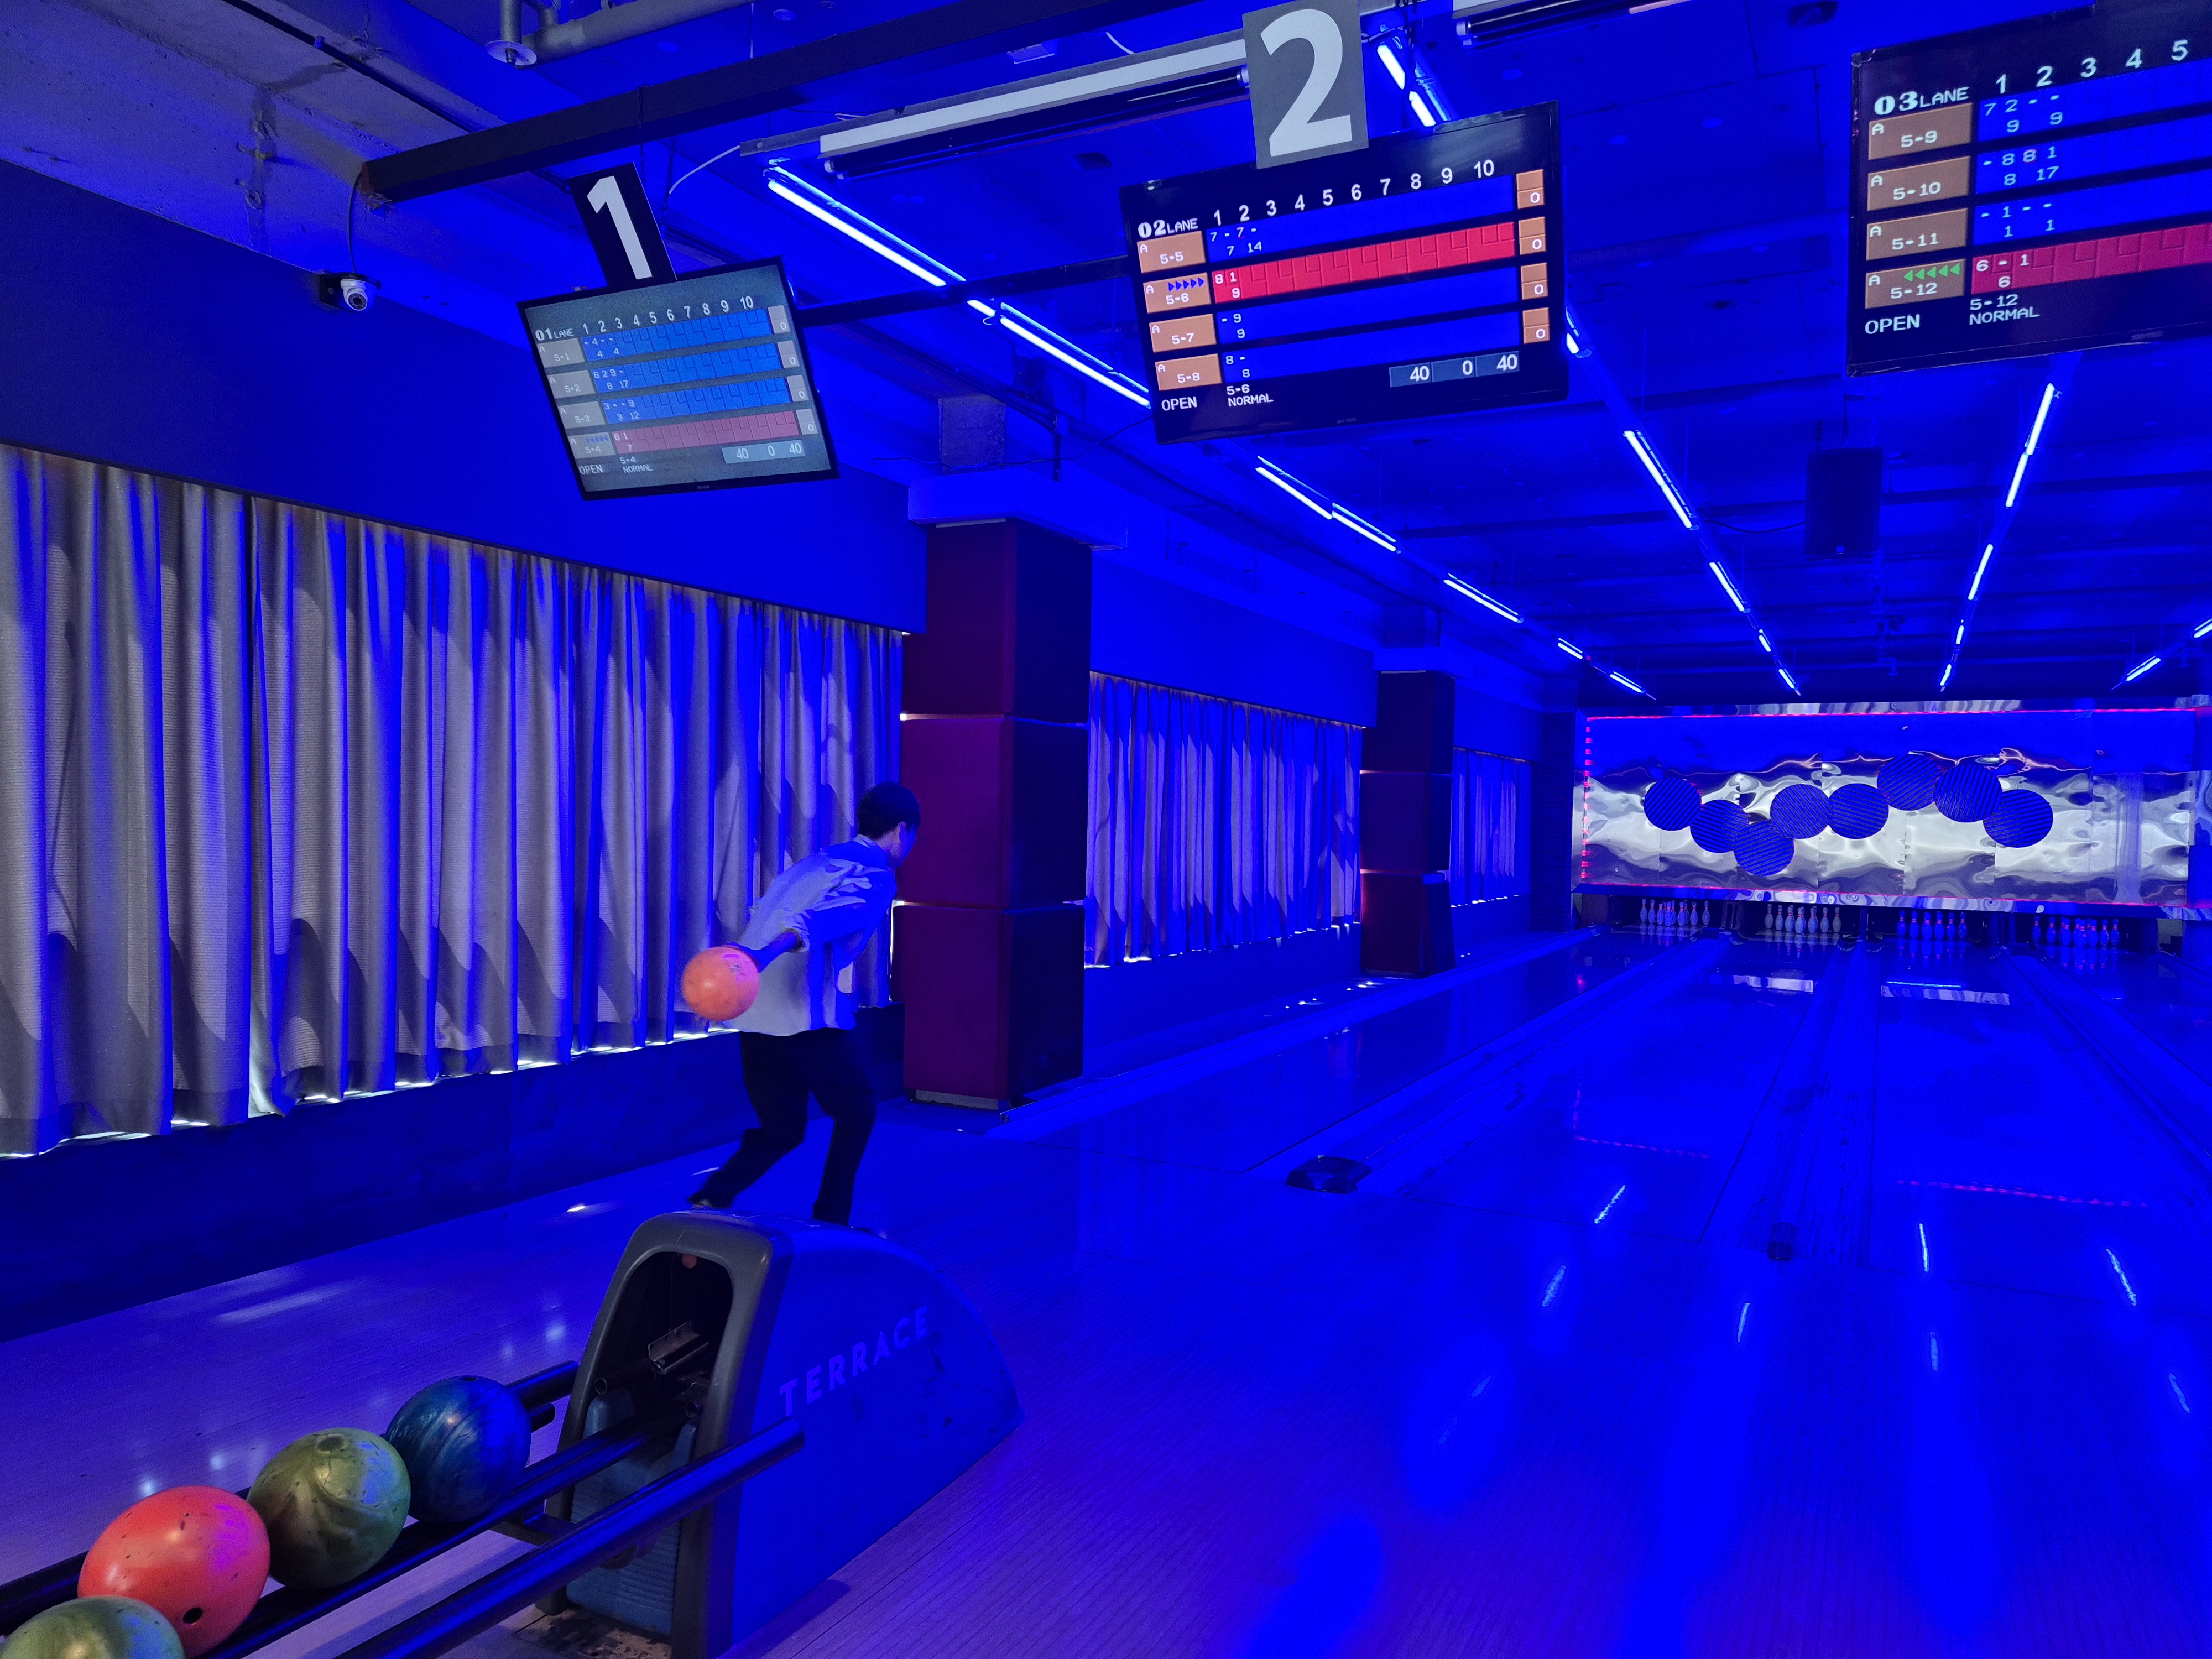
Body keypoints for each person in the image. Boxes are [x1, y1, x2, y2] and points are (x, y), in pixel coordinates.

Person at [690, 782, 919, 1225]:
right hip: (803, 1017)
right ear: (901, 831)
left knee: (781, 1129)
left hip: (754, 1011)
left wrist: (729, 986)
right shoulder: (874, 875)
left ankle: (711, 1198)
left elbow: (768, 918)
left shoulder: (814, 863)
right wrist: (762, 957)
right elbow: (814, 922)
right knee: (857, 1113)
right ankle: (831, 1221)